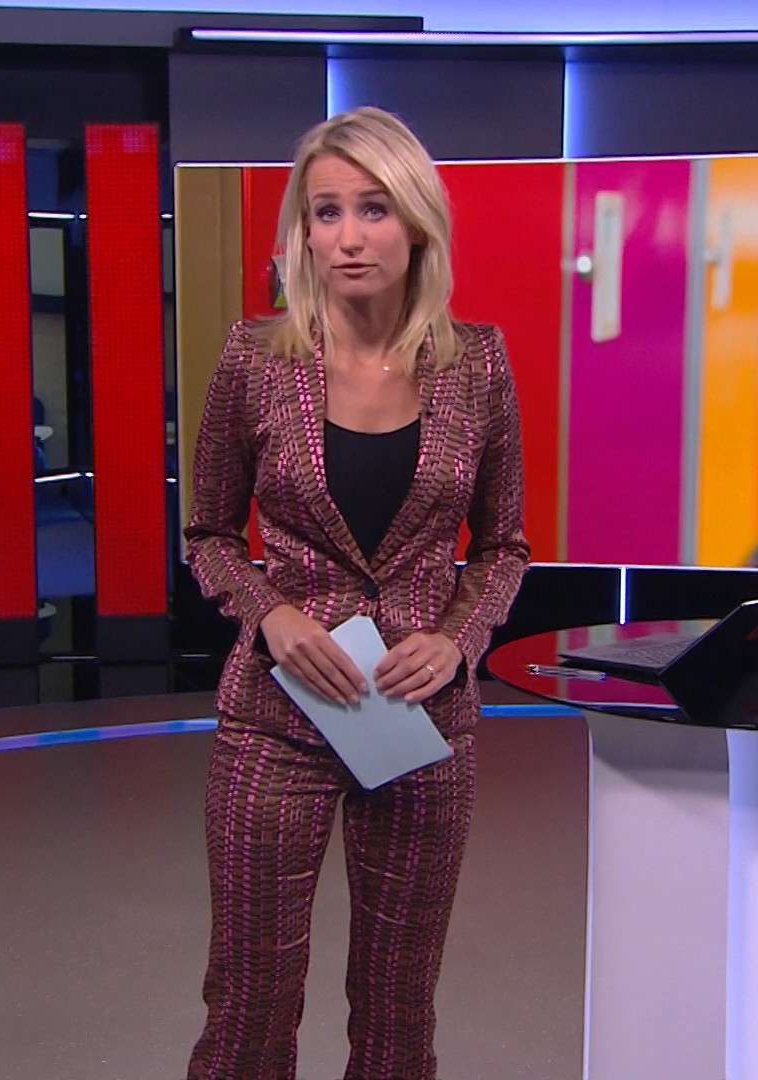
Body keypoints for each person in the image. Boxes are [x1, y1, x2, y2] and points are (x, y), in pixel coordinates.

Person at [181, 106, 530, 1080]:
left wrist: (458, 640)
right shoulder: (254, 360)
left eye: (373, 209)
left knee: (397, 1008)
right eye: (325, 212)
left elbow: (504, 546)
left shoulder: (479, 364)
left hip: (417, 720)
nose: (347, 236)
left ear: (416, 223)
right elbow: (209, 535)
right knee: (249, 1001)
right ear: (302, 232)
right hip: (277, 721)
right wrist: (270, 615)